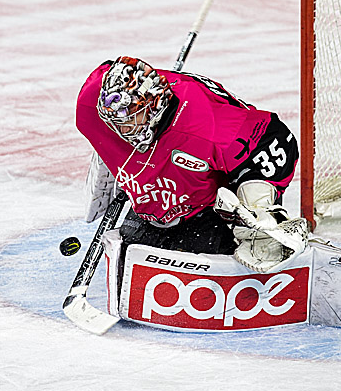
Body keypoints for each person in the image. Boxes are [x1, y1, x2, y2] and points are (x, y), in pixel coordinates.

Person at [76, 55, 309, 272]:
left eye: (130, 119)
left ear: (155, 104)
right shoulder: (91, 105)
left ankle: (261, 228)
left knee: (216, 262)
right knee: (129, 258)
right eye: (116, 121)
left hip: (207, 211)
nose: (121, 130)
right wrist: (108, 153)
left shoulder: (211, 126)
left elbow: (276, 138)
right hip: (155, 212)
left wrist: (258, 203)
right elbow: (110, 73)